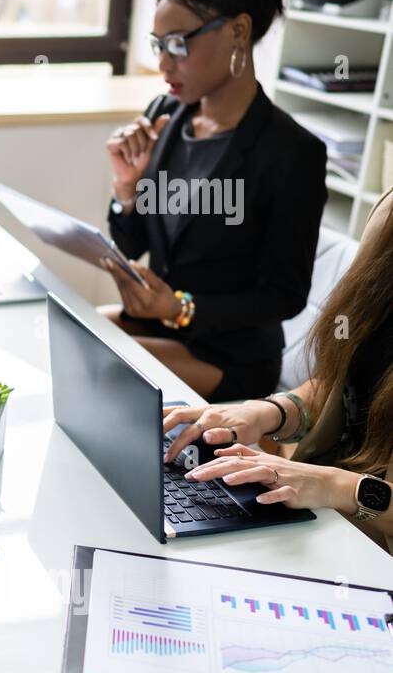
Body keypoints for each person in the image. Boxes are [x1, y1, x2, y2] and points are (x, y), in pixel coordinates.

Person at [102, 0, 327, 402]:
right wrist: (127, 189)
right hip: (162, 325)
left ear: (238, 32)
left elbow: (284, 295)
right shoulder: (165, 114)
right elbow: (134, 243)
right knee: (71, 327)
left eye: (178, 44)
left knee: (101, 364)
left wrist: (180, 307)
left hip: (230, 354)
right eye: (158, 45)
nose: (163, 63)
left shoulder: (292, 152)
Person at [162, 188, 393, 553]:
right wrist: (270, 412)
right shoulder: (387, 216)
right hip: (322, 516)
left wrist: (336, 485)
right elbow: (348, 388)